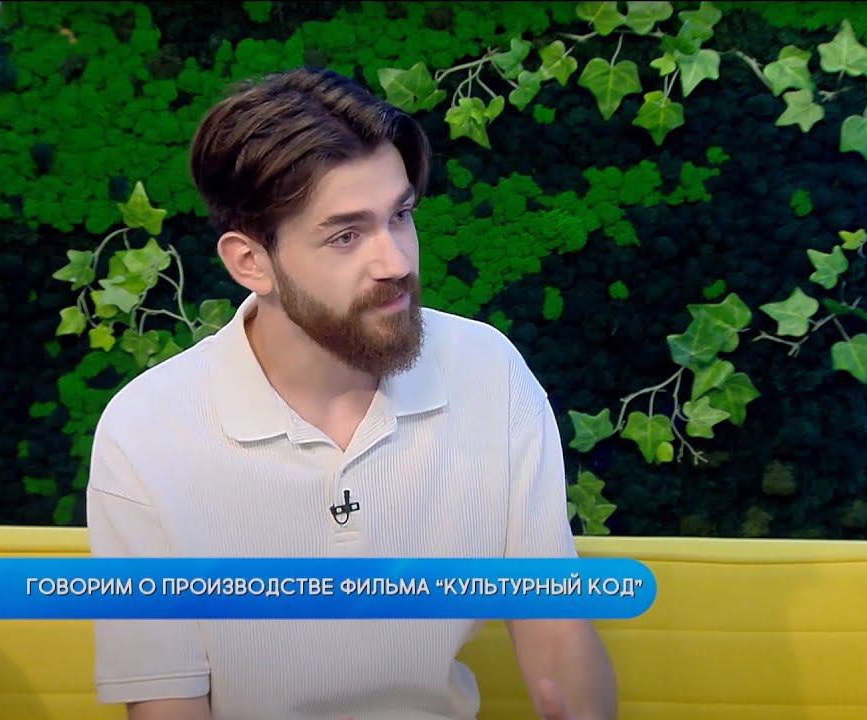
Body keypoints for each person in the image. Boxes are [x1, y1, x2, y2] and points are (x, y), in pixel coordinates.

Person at [86, 65, 618, 720]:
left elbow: (553, 624)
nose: (395, 262)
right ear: (251, 262)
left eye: (400, 216)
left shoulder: (488, 370)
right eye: (346, 235)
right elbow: (167, 701)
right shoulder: (146, 430)